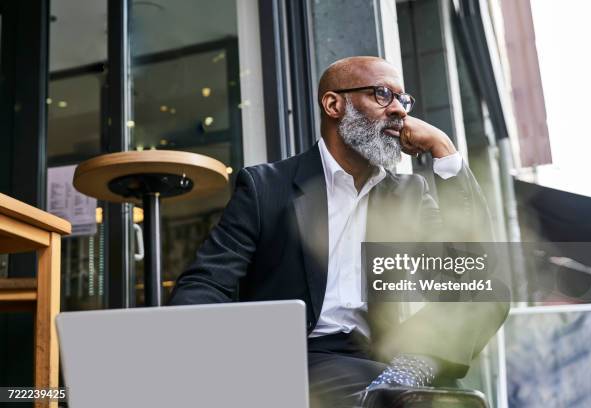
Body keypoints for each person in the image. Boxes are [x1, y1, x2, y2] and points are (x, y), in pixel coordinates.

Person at [168, 56, 509, 407]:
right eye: (382, 95)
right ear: (334, 104)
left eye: (403, 100)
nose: (399, 111)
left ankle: (402, 379)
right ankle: (389, 391)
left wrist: (445, 152)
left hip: (384, 356)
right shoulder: (265, 187)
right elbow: (206, 282)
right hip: (299, 357)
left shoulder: (408, 194)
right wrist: (213, 361)